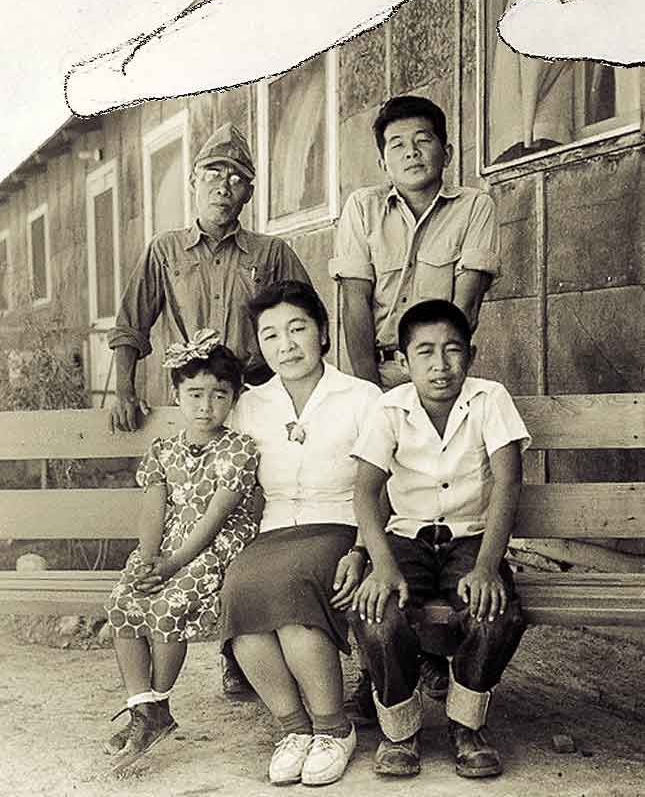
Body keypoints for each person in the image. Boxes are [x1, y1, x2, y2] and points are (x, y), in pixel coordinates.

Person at [348, 299, 530, 779]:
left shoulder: (490, 399)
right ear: (403, 361)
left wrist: (488, 566)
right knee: (376, 612)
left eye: (452, 350)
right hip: (406, 538)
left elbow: (508, 482)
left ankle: (466, 724)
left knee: (497, 612)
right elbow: (365, 491)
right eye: (424, 352)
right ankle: (400, 729)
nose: (440, 364)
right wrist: (382, 565)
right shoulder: (389, 408)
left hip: (471, 539)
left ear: (470, 354)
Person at [218, 280, 382, 787]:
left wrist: (363, 549)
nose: (285, 345)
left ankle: (334, 730)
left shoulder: (362, 397)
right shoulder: (249, 405)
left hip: (338, 527)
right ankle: (293, 728)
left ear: (323, 333)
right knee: (240, 598)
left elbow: (383, 485)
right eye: (270, 335)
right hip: (270, 534)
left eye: (297, 329)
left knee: (292, 603)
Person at [103, 330, 259, 771]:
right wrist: (149, 559)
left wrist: (172, 565)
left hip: (214, 547)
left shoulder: (239, 449)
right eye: (194, 394)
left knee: (169, 607)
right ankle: (146, 711)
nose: (205, 406)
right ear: (177, 394)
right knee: (124, 602)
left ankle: (157, 705)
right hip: (166, 547)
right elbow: (153, 510)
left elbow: (214, 519)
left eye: (218, 395)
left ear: (234, 398)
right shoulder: (163, 450)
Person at [108, 121, 311, 433]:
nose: (223, 187)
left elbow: (306, 325)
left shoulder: (272, 252)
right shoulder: (165, 250)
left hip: (255, 400)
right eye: (213, 174)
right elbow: (130, 326)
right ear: (193, 182)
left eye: (236, 179)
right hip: (188, 403)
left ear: (249, 193)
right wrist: (124, 393)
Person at [329, 94, 500, 391]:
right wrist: (370, 391)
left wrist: (435, 384)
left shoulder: (475, 206)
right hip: (379, 372)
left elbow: (467, 307)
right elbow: (354, 303)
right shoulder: (361, 207)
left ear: (447, 153)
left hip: (442, 374)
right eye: (397, 144)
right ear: (383, 163)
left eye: (423, 140)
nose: (411, 152)